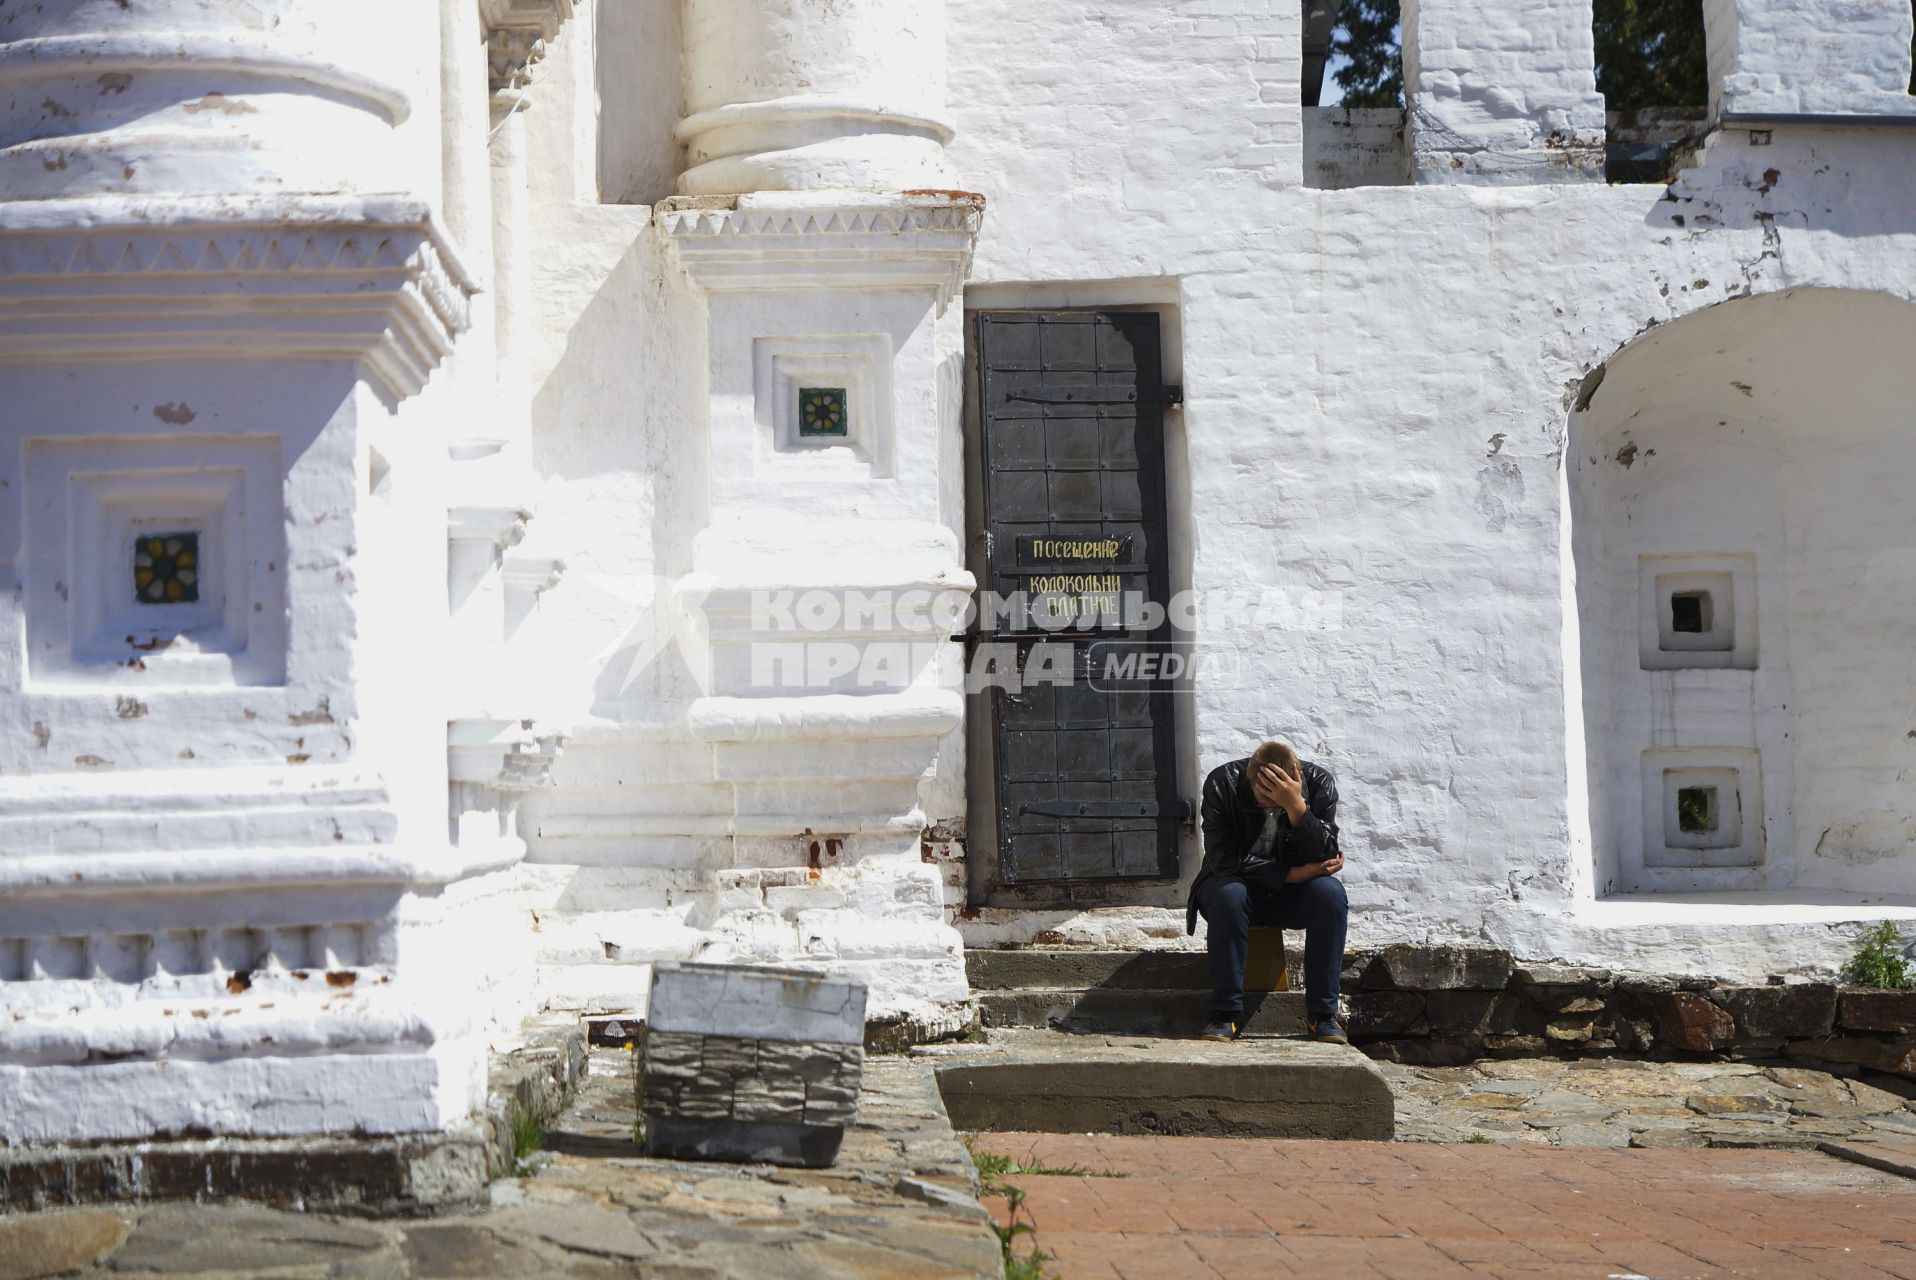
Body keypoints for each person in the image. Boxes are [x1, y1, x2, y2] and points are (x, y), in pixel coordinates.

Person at [1186, 740, 1348, 1043]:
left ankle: (1323, 1016)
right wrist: (1295, 874)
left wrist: (1297, 806)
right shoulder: (1222, 784)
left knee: (1331, 894)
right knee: (1230, 895)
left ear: (1297, 776)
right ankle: (1225, 1014)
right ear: (1249, 773)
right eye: (1265, 798)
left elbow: (1326, 854)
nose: (1272, 805)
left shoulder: (1319, 784)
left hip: (1289, 897)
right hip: (1233, 889)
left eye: (1279, 799)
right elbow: (1224, 860)